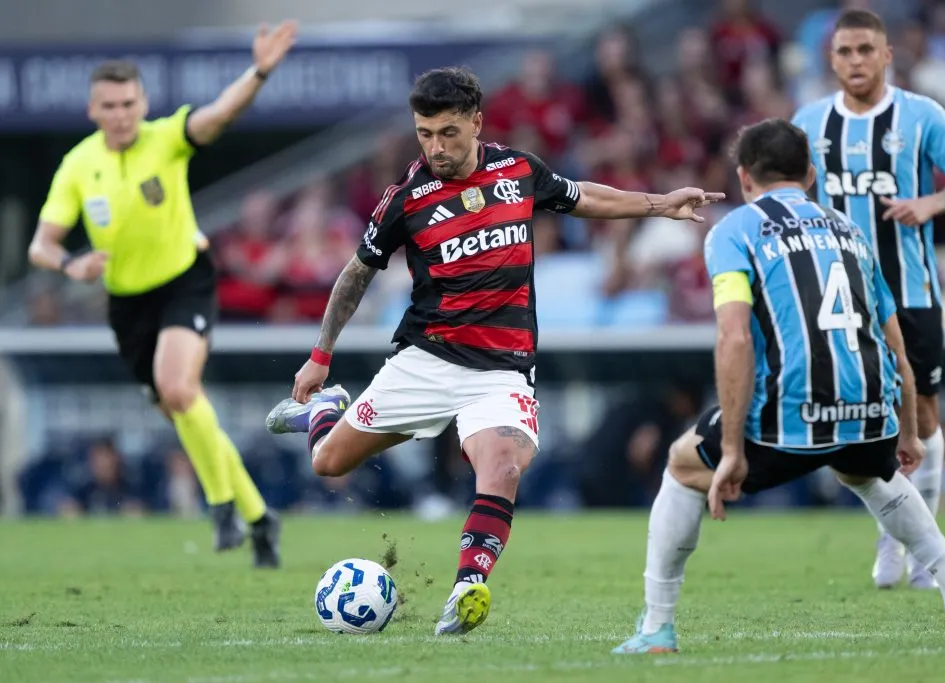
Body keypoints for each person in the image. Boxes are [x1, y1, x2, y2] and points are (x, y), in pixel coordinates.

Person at [264, 66, 723, 635]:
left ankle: (467, 586)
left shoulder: (518, 171)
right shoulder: (408, 198)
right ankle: (326, 410)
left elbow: (584, 199)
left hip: (501, 372)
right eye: (425, 134)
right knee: (327, 462)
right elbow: (356, 274)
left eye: (448, 133)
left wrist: (658, 204)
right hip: (427, 360)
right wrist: (320, 355)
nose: (436, 147)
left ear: (476, 122)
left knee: (500, 464)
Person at [612, 118, 945, 654]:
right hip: (869, 404)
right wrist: (906, 431)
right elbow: (896, 347)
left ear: (744, 177)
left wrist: (729, 451)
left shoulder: (734, 230)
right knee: (871, 472)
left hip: (791, 408)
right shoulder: (850, 230)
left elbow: (735, 339)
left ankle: (657, 627)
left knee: (682, 466)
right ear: (812, 174)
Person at [27, 21, 300, 568]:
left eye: (129, 102)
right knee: (185, 409)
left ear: (143, 102)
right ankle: (257, 517)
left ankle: (220, 506)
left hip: (184, 280)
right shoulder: (79, 166)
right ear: (92, 110)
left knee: (179, 388)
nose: (121, 113)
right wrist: (71, 263)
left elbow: (219, 113)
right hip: (127, 304)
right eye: (109, 105)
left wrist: (261, 70)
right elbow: (41, 245)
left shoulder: (166, 139)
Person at [791, 9, 945, 590]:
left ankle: (922, 551)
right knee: (860, 421)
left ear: (886, 55)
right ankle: (894, 531)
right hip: (840, 297)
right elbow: (788, 192)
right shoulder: (810, 122)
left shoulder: (919, 115)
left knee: (921, 414)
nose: (855, 61)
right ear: (831, 58)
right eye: (845, 51)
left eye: (865, 50)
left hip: (911, 290)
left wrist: (929, 205)